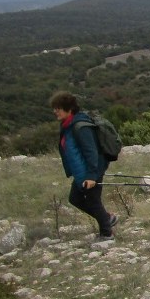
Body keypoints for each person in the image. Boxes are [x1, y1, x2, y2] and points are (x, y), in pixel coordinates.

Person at [50, 91, 116, 241]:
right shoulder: (67, 126)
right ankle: (107, 219)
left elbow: (91, 152)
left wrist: (92, 176)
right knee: (75, 198)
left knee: (93, 201)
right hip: (82, 171)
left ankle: (107, 234)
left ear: (69, 109)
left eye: (58, 108)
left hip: (92, 170)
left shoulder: (80, 127)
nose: (55, 111)